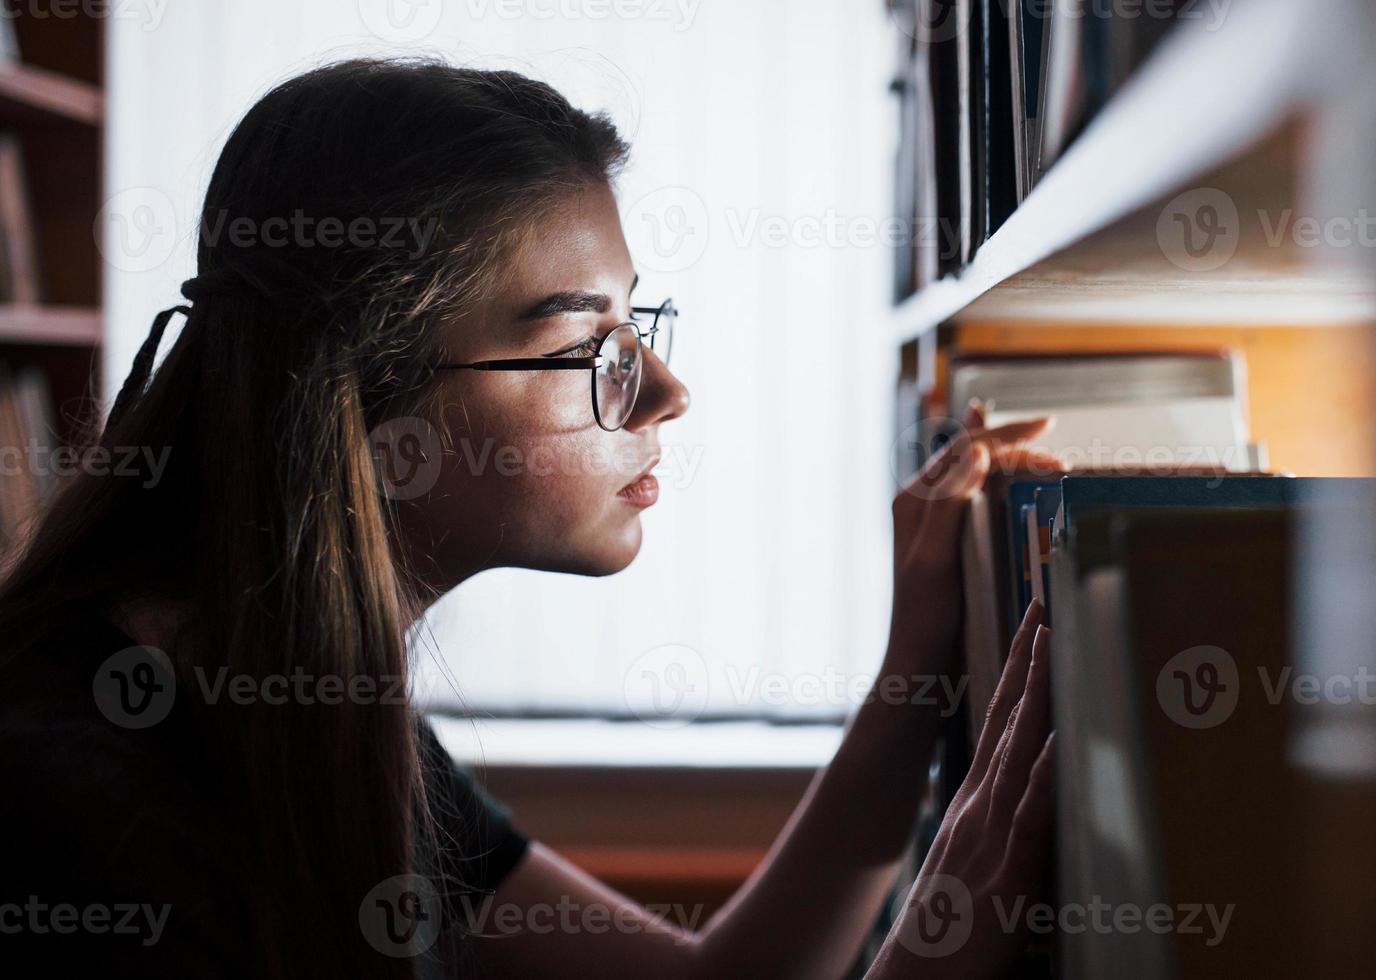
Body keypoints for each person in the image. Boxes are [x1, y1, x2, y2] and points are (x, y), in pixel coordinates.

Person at [0, 58, 1059, 979]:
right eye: (583, 346)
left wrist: (912, 676)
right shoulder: (85, 807)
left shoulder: (315, 704)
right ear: (363, 397)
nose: (663, 391)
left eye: (632, 323)